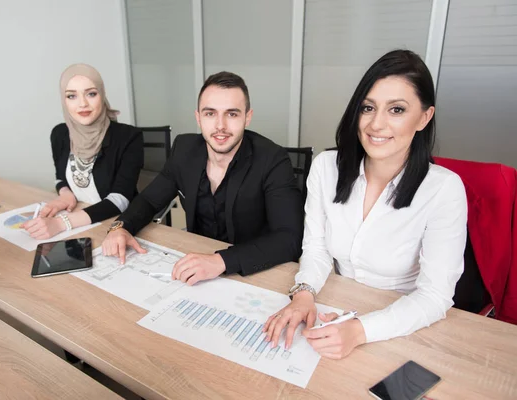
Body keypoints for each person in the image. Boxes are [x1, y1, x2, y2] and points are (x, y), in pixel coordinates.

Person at [263, 50, 468, 359]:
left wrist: (360, 330)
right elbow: (316, 247)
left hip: (402, 324)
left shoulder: (444, 189)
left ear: (424, 117)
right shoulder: (326, 167)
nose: (376, 124)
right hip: (337, 306)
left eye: (397, 109)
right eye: (368, 107)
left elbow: (435, 295)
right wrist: (303, 293)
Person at [101, 71, 303, 285]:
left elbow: (289, 238)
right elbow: (150, 200)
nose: (220, 126)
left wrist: (220, 261)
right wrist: (120, 227)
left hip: (252, 271)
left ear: (248, 117)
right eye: (210, 114)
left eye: (232, 114)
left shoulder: (273, 159)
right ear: (198, 117)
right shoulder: (185, 149)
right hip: (198, 267)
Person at [24, 64, 143, 239]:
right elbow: (60, 178)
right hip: (78, 218)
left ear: (102, 95)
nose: (82, 104)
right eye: (71, 96)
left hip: (117, 225)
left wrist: (61, 223)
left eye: (91, 94)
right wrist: (65, 195)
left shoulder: (129, 137)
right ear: (64, 100)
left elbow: (121, 199)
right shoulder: (60, 134)